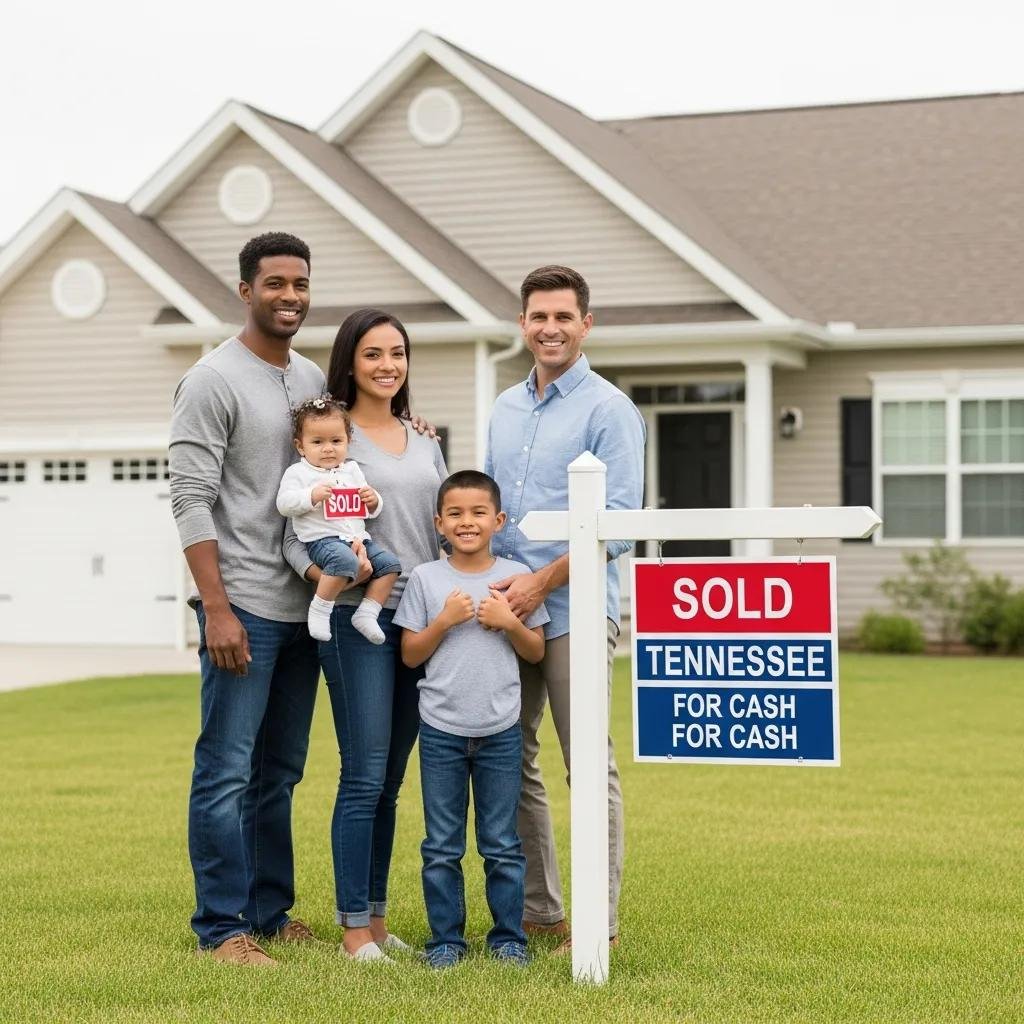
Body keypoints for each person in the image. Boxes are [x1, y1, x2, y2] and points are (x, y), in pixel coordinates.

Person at [170, 232, 329, 966]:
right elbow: (191, 497)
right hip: (244, 608)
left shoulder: (310, 377)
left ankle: (270, 912)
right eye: (274, 283)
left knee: (281, 772)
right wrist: (218, 608)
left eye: (299, 282)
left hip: (306, 609)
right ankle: (220, 929)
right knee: (227, 768)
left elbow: (339, 456)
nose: (289, 294)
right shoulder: (212, 379)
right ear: (245, 290)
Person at [485, 265, 646, 950]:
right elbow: (485, 509)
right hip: (504, 609)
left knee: (587, 761)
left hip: (576, 607)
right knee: (508, 754)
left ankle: (599, 928)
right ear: (523, 323)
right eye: (538, 317)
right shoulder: (503, 408)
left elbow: (618, 522)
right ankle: (541, 911)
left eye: (563, 317)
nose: (549, 328)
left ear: (586, 324)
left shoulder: (609, 410)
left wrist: (542, 582)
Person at [286, 308, 447, 961]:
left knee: (391, 781)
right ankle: (354, 929)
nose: (388, 365)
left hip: (417, 618)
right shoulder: (331, 439)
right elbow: (291, 530)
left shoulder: (425, 438)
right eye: (374, 353)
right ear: (350, 361)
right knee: (363, 774)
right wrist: (324, 574)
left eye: (398, 353)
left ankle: (378, 922)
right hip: (359, 621)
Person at [395, 470, 548, 970]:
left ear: (498, 520)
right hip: (440, 730)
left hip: (500, 730)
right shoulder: (426, 579)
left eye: (479, 513)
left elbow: (536, 650)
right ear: (439, 522)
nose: (467, 522)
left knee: (501, 843)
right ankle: (446, 942)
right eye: (455, 514)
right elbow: (411, 655)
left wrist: (508, 622)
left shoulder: (516, 575)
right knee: (441, 844)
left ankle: (508, 938)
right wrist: (443, 620)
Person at [277, 395, 401, 645]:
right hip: (322, 540)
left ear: (348, 442)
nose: (328, 448)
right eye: (318, 442)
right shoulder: (299, 473)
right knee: (343, 560)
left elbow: (370, 507)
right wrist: (311, 496)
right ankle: (320, 609)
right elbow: (284, 504)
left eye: (336, 441)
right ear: (301, 446)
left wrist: (373, 499)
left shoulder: (352, 470)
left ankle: (367, 613)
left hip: (357, 539)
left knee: (390, 565)